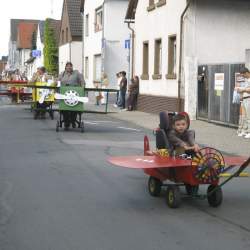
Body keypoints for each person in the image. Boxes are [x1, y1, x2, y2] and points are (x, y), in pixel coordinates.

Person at [58, 62, 85, 130]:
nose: (69, 67)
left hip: (74, 93)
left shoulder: (77, 73)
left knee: (74, 109)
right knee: (65, 109)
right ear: (65, 67)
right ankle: (66, 123)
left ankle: (73, 121)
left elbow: (82, 81)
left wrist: (82, 88)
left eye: (70, 66)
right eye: (68, 66)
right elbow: (58, 81)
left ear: (72, 67)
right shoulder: (62, 73)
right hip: (65, 93)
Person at [236, 67, 250, 139]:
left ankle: (248, 132)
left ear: (247, 73)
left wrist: (242, 89)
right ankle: (244, 131)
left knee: (248, 117)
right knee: (244, 116)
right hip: (244, 99)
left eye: (243, 75)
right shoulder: (246, 80)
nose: (242, 76)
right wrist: (239, 90)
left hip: (248, 99)